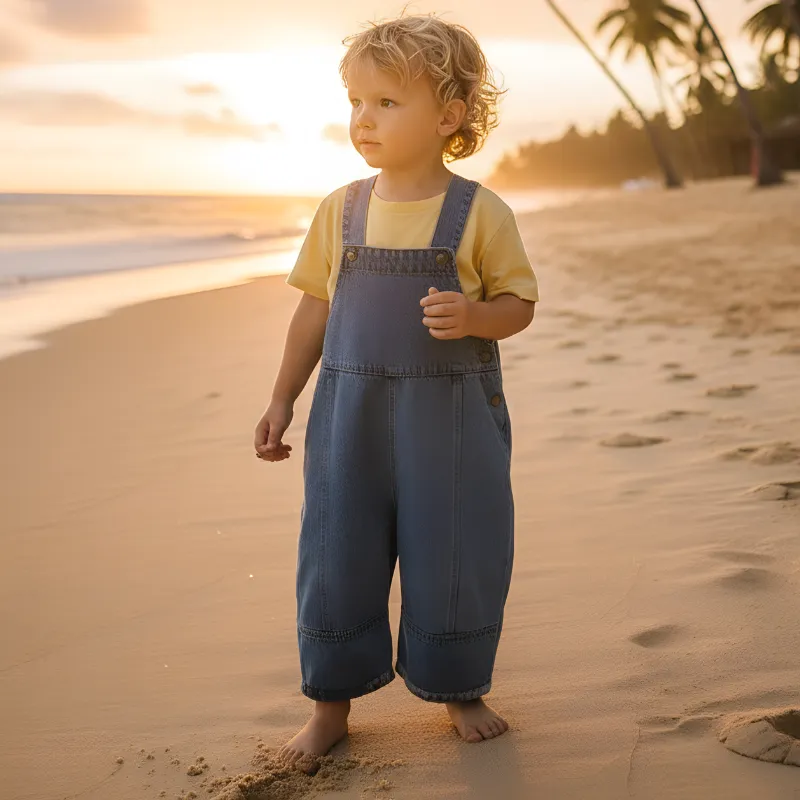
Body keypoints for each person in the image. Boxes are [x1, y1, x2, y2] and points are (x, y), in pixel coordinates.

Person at [253, 12, 539, 765]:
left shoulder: (480, 213)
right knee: (336, 548)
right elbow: (314, 308)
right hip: (349, 414)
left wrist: (477, 314)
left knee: (454, 546)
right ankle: (330, 704)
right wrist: (283, 397)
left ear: (448, 115)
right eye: (355, 101)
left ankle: (460, 685)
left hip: (450, 418)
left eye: (386, 102)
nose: (362, 119)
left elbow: (520, 305)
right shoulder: (340, 210)